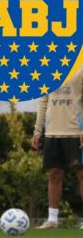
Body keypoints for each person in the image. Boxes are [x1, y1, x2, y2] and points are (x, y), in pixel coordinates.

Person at [32, 68, 83, 229]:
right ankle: (52, 219)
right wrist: (38, 129)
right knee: (54, 174)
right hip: (53, 132)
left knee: (82, 174)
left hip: (76, 131)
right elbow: (43, 101)